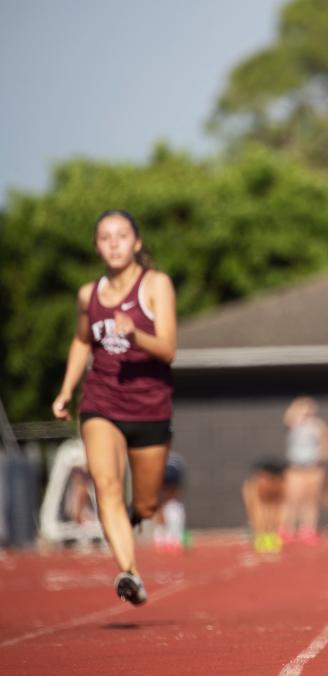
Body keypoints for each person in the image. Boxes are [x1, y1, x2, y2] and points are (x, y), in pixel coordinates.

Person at [52, 210, 177, 605]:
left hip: (150, 407)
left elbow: (169, 350)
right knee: (104, 484)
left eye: (121, 236)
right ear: (96, 246)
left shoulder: (156, 285)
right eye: (105, 237)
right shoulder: (88, 295)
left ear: (136, 242)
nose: (114, 244)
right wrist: (66, 390)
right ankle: (130, 573)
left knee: (145, 503)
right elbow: (80, 341)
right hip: (101, 401)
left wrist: (135, 333)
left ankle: (127, 520)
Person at [281, 397, 328, 543]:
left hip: (313, 468)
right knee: (292, 499)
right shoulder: (293, 422)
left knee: (310, 501)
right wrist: (297, 407)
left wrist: (322, 456)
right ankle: (288, 528)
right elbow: (287, 418)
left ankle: (308, 529)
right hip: (295, 468)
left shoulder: (318, 425)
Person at [242, 459, 287, 554]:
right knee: (260, 512)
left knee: (272, 511)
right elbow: (254, 510)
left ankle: (270, 538)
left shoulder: (281, 485)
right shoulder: (252, 487)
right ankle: (262, 538)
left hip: (275, 490)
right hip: (258, 496)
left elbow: (277, 512)